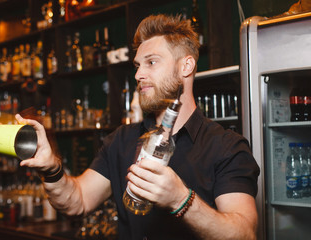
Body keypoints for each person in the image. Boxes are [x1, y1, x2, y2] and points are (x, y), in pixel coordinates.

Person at [15, 14, 260, 240]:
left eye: (151, 62)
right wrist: (51, 168)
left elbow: (244, 233)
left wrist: (181, 199)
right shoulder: (121, 141)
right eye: (137, 65)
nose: (138, 74)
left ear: (186, 66)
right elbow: (75, 202)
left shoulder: (227, 147)